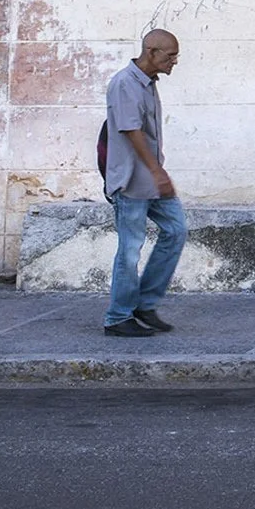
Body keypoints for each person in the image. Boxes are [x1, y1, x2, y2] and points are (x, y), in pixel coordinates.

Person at [102, 29, 188, 338]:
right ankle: (117, 316)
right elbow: (131, 130)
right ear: (151, 52)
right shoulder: (125, 83)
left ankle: (145, 303)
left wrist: (157, 173)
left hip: (152, 180)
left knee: (176, 231)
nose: (174, 62)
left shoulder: (148, 84)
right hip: (132, 181)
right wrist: (157, 172)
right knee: (130, 249)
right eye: (170, 56)